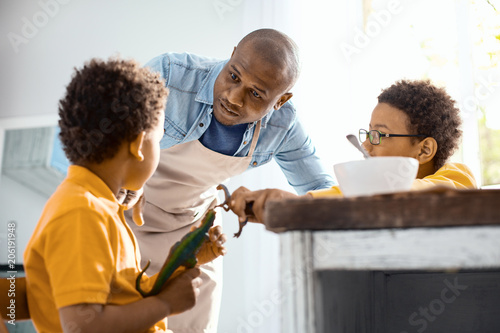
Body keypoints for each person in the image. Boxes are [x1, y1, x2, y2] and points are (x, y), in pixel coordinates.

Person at [121, 28, 335, 332]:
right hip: (125, 217)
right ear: (232, 55)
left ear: (280, 101)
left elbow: (324, 191)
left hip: (193, 237)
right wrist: (127, 177)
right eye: (234, 77)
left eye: (256, 94)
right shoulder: (170, 74)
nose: (233, 98)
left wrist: (284, 205)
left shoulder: (283, 126)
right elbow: (106, 132)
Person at [23, 58, 226, 333]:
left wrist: (185, 260)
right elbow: (84, 327)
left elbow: (126, 299)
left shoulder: (101, 209)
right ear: (138, 145)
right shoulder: (82, 214)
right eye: (159, 138)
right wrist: (166, 304)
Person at [229, 79, 477, 223]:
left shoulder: (457, 179)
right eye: (368, 134)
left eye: (379, 135)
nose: (367, 146)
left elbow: (388, 194)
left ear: (424, 150)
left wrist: (300, 204)